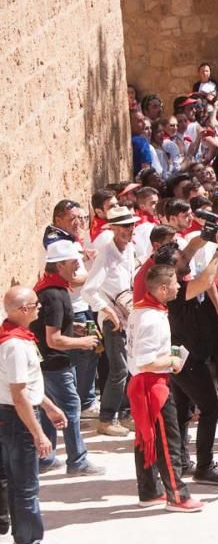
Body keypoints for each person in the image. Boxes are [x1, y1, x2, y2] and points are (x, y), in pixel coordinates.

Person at [153, 244, 218, 485]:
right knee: (210, 408)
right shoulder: (175, 291)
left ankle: (181, 461)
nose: (187, 260)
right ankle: (205, 466)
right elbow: (208, 279)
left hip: (185, 355)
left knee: (182, 412)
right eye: (181, 260)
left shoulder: (178, 283)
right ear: (170, 269)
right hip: (186, 359)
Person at [124, 264, 202, 512]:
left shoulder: (143, 311)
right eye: (175, 283)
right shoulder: (150, 318)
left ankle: (149, 491)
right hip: (152, 385)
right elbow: (146, 361)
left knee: (146, 438)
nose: (180, 286)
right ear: (162, 288)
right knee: (168, 441)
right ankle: (177, 496)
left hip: (143, 384)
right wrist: (172, 360)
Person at [0, 285, 68, 544]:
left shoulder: (17, 338)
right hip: (17, 420)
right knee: (26, 486)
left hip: (14, 416)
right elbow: (18, 395)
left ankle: (23, 540)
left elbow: (27, 388)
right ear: (23, 310)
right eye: (36, 304)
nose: (40, 308)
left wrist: (49, 407)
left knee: (18, 484)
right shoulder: (15, 345)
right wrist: (39, 433)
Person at [30, 240, 104, 476]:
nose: (78, 266)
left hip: (46, 362)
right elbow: (54, 339)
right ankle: (78, 461)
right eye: (74, 262)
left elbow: (50, 329)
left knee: (48, 410)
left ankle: (46, 459)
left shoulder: (47, 289)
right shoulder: (55, 295)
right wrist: (84, 342)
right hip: (55, 363)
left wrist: (76, 328)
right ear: (59, 265)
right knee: (70, 407)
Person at [81, 204, 139, 437]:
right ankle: (106, 418)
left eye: (131, 225)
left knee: (129, 367)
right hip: (112, 319)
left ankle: (124, 414)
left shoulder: (129, 249)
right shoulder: (106, 252)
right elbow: (89, 290)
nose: (129, 230)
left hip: (128, 313)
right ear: (113, 228)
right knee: (119, 370)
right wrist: (109, 311)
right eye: (124, 226)